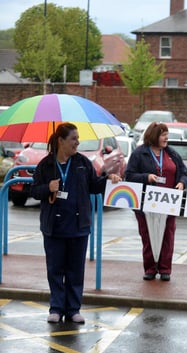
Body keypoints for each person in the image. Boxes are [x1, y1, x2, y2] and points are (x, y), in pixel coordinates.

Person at [31, 122, 122, 324]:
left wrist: (109, 178)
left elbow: (94, 186)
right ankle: (56, 308)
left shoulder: (82, 163)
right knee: (55, 270)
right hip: (53, 228)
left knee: (75, 270)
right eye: (74, 139)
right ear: (61, 141)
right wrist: (48, 187)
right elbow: (34, 191)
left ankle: (73, 309)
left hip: (78, 227)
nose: (77, 142)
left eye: (78, 139)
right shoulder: (46, 165)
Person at [125, 122, 187, 282]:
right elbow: (129, 175)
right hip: (145, 203)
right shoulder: (139, 154)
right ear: (154, 136)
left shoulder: (172, 153)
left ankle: (165, 269)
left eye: (167, 134)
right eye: (163, 135)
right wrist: (146, 177)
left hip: (169, 203)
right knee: (148, 236)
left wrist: (182, 182)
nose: (166, 138)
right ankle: (150, 268)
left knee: (168, 236)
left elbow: (183, 172)